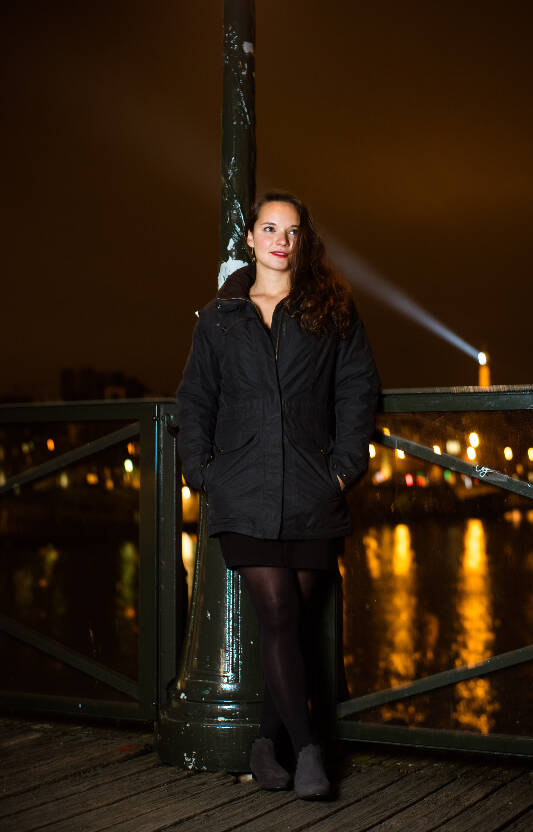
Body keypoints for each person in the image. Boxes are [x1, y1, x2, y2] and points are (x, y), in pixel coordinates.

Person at [176, 191, 379, 799]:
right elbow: (195, 398)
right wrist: (201, 471)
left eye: (291, 231)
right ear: (250, 238)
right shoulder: (219, 319)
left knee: (294, 625)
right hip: (244, 491)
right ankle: (311, 751)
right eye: (270, 228)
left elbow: (357, 387)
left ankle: (267, 748)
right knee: (281, 614)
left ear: (302, 242)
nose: (280, 240)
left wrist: (344, 467)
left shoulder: (329, 311)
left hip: (313, 492)